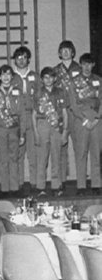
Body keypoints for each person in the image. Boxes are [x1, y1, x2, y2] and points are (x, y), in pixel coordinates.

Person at [0, 64, 26, 197]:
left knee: (14, 158)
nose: (6, 77)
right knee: (3, 160)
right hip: (0, 129)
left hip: (14, 129)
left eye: (8, 74)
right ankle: (4, 189)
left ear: (12, 76)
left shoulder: (18, 92)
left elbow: (22, 114)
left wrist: (22, 134)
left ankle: (15, 188)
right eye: (3, 74)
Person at [68, 53, 102, 195]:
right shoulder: (74, 82)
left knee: (96, 153)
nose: (87, 67)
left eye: (89, 64)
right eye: (84, 64)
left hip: (97, 120)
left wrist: (97, 118)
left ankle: (96, 184)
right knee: (81, 153)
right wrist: (85, 120)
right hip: (81, 120)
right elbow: (73, 104)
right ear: (80, 65)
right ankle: (81, 185)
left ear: (93, 65)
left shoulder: (99, 80)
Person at [32, 67, 68, 197]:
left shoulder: (60, 92)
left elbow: (65, 113)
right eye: (46, 77)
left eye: (51, 77)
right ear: (42, 79)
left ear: (55, 78)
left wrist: (65, 131)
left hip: (57, 125)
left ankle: (56, 186)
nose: (48, 80)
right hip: (42, 124)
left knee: (56, 157)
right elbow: (34, 114)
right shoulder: (38, 93)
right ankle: (40, 187)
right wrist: (35, 132)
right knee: (42, 158)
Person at [53, 40, 82, 188]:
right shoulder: (55, 71)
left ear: (72, 52)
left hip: (76, 112)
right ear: (59, 53)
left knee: (79, 147)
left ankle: (81, 181)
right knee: (61, 147)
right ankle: (61, 181)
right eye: (62, 50)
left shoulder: (80, 69)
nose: (65, 52)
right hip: (61, 112)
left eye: (68, 50)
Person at [11, 46, 39, 193]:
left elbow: (41, 97)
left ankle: (34, 183)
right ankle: (19, 183)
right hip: (16, 118)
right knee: (18, 152)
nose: (21, 60)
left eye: (24, 57)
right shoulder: (10, 76)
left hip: (32, 116)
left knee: (33, 152)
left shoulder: (35, 76)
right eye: (18, 58)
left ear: (28, 59)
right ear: (14, 60)